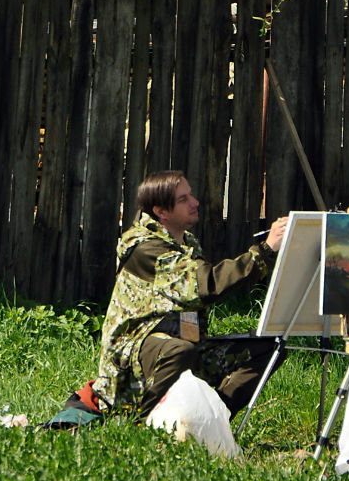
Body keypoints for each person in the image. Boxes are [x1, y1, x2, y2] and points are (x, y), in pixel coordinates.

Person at [68, 170, 289, 422]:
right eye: (183, 199)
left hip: (188, 347)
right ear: (161, 211)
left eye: (190, 195)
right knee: (179, 350)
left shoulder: (186, 243)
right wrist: (265, 251)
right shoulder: (146, 248)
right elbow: (206, 285)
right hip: (132, 363)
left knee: (268, 349)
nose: (194, 202)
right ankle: (139, 426)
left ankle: (209, 423)